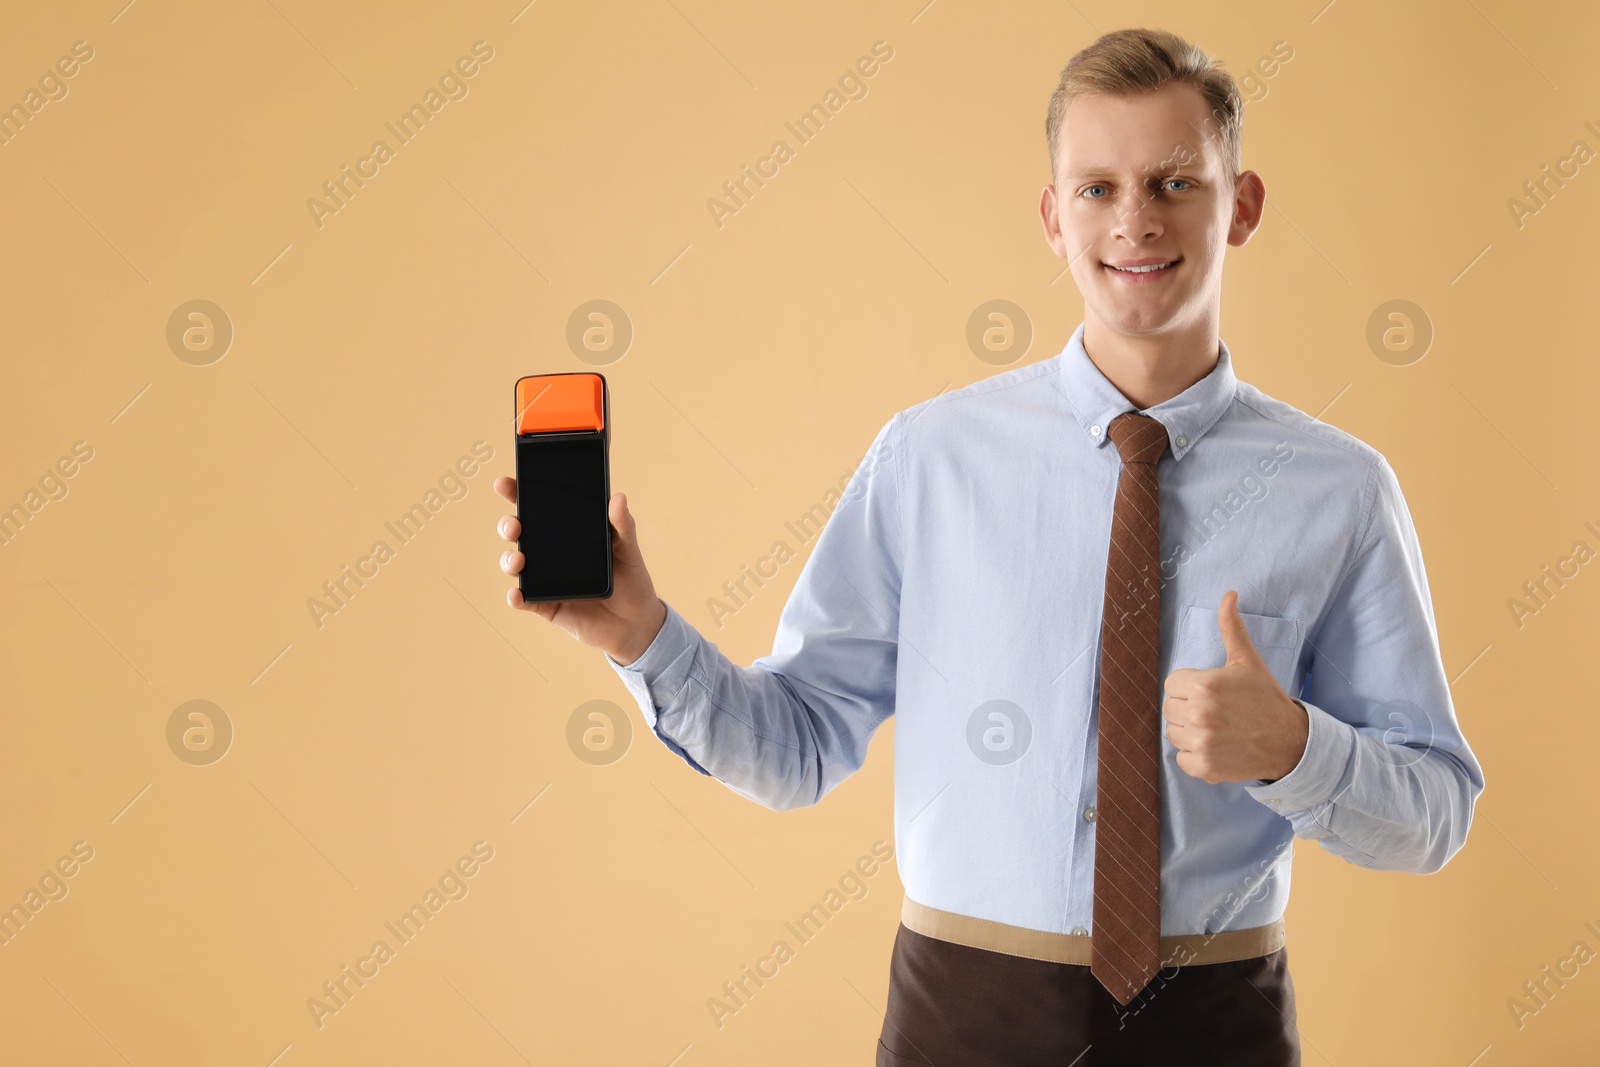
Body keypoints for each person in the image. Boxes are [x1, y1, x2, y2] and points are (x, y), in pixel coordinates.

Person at [494, 26, 1484, 1066]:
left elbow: (1434, 815)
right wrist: (641, 636)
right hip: (961, 1020)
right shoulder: (929, 458)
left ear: (1240, 205)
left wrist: (1294, 746)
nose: (1135, 219)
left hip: (1218, 1023)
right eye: (1096, 188)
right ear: (1054, 220)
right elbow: (792, 748)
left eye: (1174, 180)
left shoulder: (1340, 490)